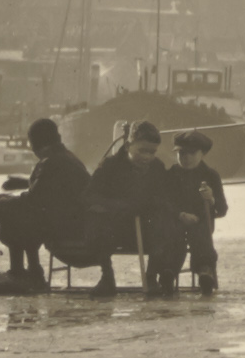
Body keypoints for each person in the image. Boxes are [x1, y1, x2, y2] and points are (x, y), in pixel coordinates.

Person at [0, 117, 94, 294]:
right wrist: (23, 185)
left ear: (36, 143)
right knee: (24, 215)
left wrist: (3, 203)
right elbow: (51, 191)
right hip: (79, 223)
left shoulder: (51, 162)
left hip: (68, 229)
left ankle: (19, 273)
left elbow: (35, 199)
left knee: (11, 212)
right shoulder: (68, 158)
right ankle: (33, 273)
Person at [86, 121, 186, 297]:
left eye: (152, 152)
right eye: (142, 151)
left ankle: (152, 276)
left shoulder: (157, 168)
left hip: (148, 231)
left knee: (164, 219)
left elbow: (165, 198)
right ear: (128, 146)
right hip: (116, 229)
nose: (147, 157)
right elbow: (90, 195)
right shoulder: (110, 166)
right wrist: (118, 205)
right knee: (96, 219)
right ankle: (107, 277)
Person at [166, 130, 228, 292]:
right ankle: (168, 272)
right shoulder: (171, 174)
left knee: (201, 235)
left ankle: (205, 271)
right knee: (173, 237)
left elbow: (222, 209)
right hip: (176, 221)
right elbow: (165, 203)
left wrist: (211, 199)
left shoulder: (211, 175)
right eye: (181, 153)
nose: (186, 158)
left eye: (192, 153)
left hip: (202, 222)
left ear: (203, 153)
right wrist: (180, 215)